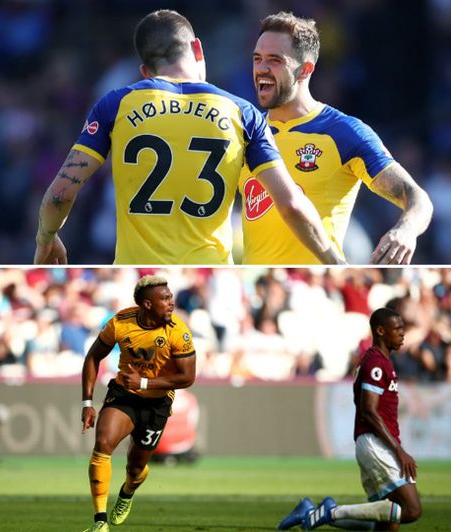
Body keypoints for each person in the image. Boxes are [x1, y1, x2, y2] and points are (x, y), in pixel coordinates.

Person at [33, 9, 342, 265]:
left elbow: (60, 194)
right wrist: (332, 259)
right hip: (210, 269)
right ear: (197, 49)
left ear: (145, 71)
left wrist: (46, 237)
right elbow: (291, 205)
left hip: (139, 273)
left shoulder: (115, 104)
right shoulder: (242, 112)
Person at [242, 12, 432, 265]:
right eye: (258, 59)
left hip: (322, 276)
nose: (262, 68)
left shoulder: (344, 132)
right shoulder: (245, 132)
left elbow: (418, 198)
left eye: (275, 60)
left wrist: (405, 231)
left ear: (305, 69)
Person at [278, 308, 423, 530]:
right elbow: (369, 411)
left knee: (385, 523)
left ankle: (309, 512)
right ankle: (330, 511)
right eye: (398, 329)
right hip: (377, 443)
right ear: (381, 331)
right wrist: (398, 450)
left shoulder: (381, 361)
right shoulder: (375, 363)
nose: (403, 333)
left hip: (375, 443)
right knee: (411, 510)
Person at [80, 275, 196, 532]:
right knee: (103, 444)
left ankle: (127, 492)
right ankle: (100, 521)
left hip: (157, 402)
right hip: (124, 394)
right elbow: (92, 357)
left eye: (171, 297)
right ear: (146, 304)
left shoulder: (178, 332)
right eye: (164, 299)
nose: (171, 303)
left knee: (135, 467)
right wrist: (87, 402)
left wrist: (143, 383)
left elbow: (187, 377)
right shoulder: (120, 323)